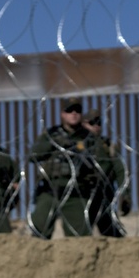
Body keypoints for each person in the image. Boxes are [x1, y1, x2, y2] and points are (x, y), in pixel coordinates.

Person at [28, 97, 109, 239]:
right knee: (39, 232)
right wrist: (54, 143)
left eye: (77, 110)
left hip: (76, 192)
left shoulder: (88, 137)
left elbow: (104, 162)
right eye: (69, 110)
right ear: (62, 114)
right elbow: (33, 156)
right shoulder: (51, 134)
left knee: (79, 238)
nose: (74, 113)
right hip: (51, 190)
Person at [81, 109, 131, 237]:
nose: (96, 126)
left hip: (104, 195)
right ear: (83, 124)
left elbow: (121, 171)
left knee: (112, 233)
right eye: (92, 122)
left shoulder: (107, 145)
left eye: (99, 122)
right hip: (84, 196)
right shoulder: (77, 144)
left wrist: (125, 195)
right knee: (81, 233)